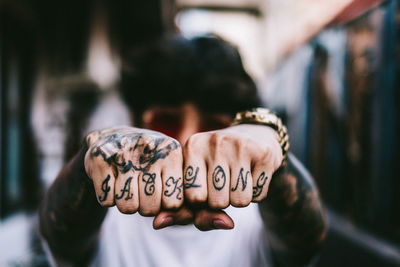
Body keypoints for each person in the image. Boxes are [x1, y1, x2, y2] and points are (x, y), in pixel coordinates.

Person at [39, 34, 327, 266]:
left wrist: (274, 157)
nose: (188, 141)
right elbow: (61, 238)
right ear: (137, 123)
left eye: (213, 128)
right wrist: (87, 164)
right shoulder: (107, 216)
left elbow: (306, 240)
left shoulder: (258, 219)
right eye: (166, 121)